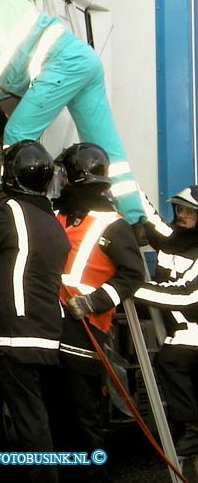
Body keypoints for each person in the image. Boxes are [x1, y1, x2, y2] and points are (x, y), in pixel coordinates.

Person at [0, 0, 145, 227]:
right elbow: (11, 70)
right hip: (81, 62)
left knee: (17, 135)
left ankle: (11, 213)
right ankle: (136, 220)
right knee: (107, 148)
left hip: (64, 63)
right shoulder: (2, 3)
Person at [0, 140, 70, 483]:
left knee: (30, 421)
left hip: (15, 334)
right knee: (1, 410)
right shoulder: (50, 221)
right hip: (44, 332)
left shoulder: (10, 213)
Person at [53, 143, 145, 481]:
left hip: (86, 329)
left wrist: (93, 303)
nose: (60, 181)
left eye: (64, 174)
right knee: (59, 416)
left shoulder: (112, 225)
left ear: (78, 176)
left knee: (83, 418)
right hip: (56, 326)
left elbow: (132, 275)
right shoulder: (62, 215)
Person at [134, 185, 198, 456]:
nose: (181, 214)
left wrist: (133, 289)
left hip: (192, 327)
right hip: (183, 328)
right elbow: (149, 216)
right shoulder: (173, 238)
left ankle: (194, 430)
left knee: (170, 360)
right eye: (179, 209)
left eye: (189, 211)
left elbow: (185, 296)